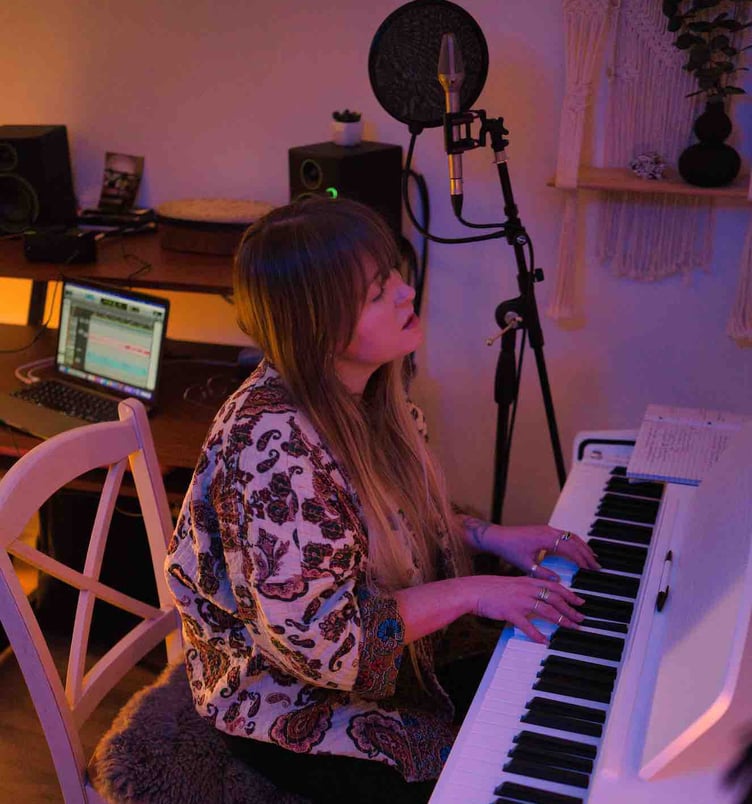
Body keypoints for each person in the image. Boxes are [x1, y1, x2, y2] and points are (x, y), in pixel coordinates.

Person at [164, 197, 600, 804]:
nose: (404, 292)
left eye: (393, 273)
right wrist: (475, 590)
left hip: (371, 656)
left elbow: (387, 518)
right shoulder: (276, 453)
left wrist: (489, 536)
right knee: (489, 771)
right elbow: (323, 644)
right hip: (282, 698)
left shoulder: (366, 394)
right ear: (316, 327)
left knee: (551, 683)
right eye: (377, 293)